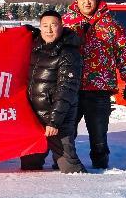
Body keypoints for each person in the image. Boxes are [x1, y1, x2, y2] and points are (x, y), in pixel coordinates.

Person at [62, 0, 126, 169]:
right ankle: (63, 164)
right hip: (71, 88)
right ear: (76, 0)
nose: (87, 2)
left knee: (98, 135)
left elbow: (123, 52)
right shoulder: (65, 23)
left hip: (99, 89)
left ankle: (100, 167)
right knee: (67, 133)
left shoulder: (110, 24)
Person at [20, 10, 87, 173]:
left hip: (57, 118)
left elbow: (67, 90)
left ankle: (86, 187)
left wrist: (54, 122)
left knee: (69, 165)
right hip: (35, 118)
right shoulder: (35, 46)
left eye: (53, 25)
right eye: (45, 26)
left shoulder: (69, 53)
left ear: (61, 27)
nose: (49, 30)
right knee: (30, 166)